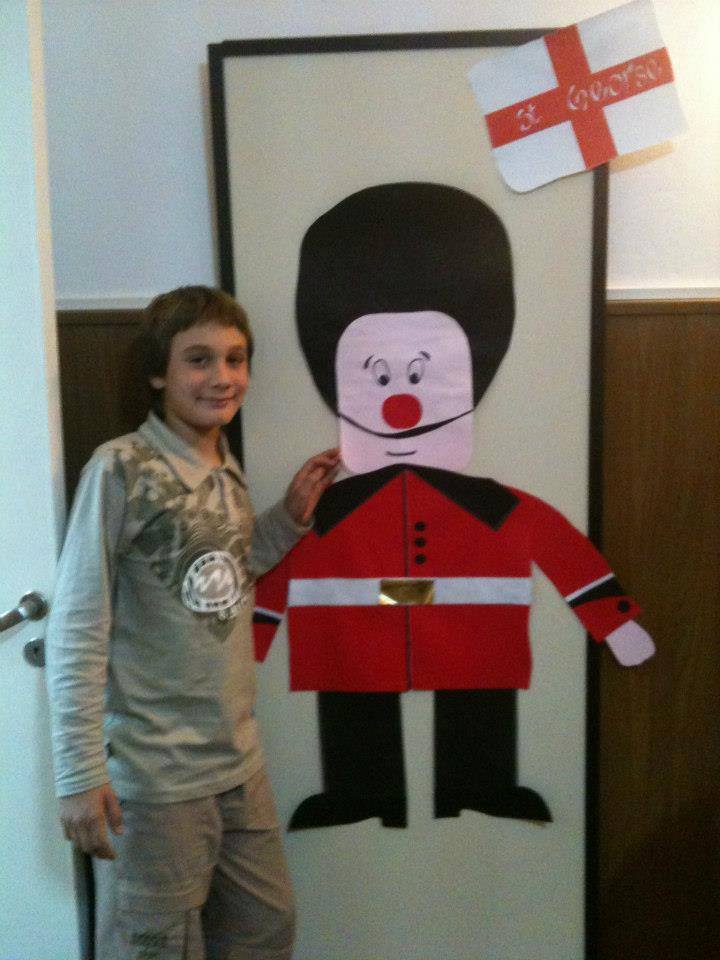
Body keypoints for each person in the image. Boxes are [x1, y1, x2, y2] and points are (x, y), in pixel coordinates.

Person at [45, 285, 338, 959]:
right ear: (159, 373)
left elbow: (219, 576)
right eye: (199, 360)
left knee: (265, 930)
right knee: (158, 947)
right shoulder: (120, 467)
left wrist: (286, 520)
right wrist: (79, 773)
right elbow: (79, 624)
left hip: (237, 764)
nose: (222, 377)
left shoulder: (225, 465)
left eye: (235, 359)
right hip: (155, 781)